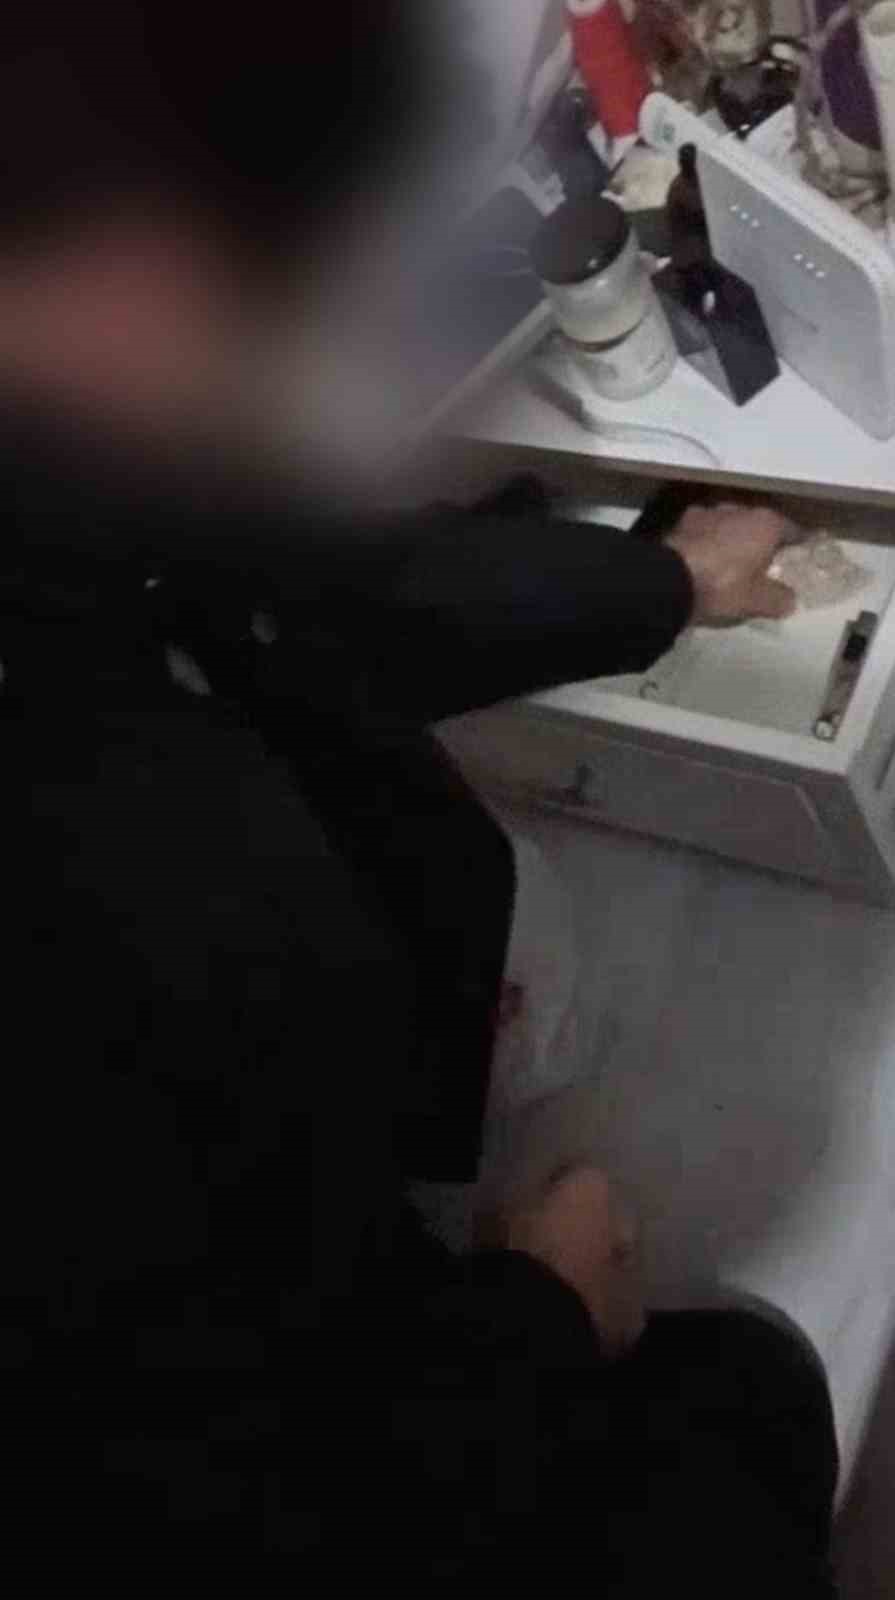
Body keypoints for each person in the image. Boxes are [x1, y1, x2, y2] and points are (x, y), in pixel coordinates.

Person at [12, 5, 837, 1585]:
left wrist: (660, 585)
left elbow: (318, 594)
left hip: (375, 1215)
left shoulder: (83, 473)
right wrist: (537, 1316)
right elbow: (228, 1504)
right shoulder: (86, 999)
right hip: (349, 1462)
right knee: (752, 1414)